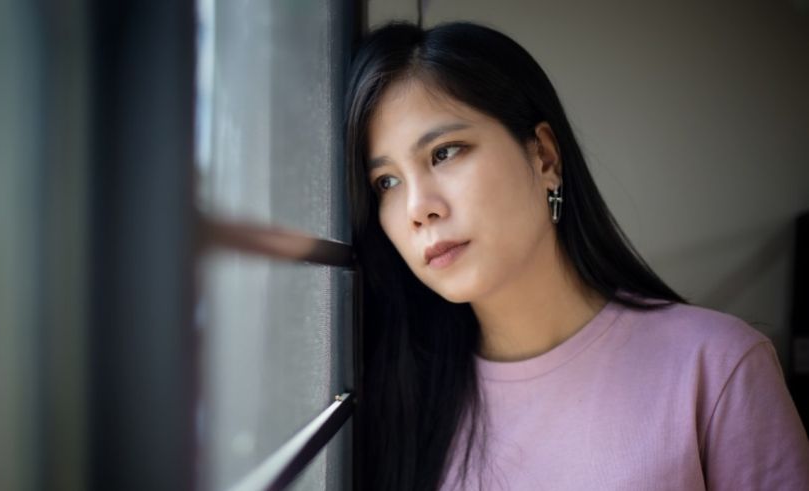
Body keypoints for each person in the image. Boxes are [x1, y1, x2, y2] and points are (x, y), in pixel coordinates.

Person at [343, 20, 809, 490]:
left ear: (544, 157)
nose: (418, 208)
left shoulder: (716, 366)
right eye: (386, 182)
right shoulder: (398, 405)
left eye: (444, 152)